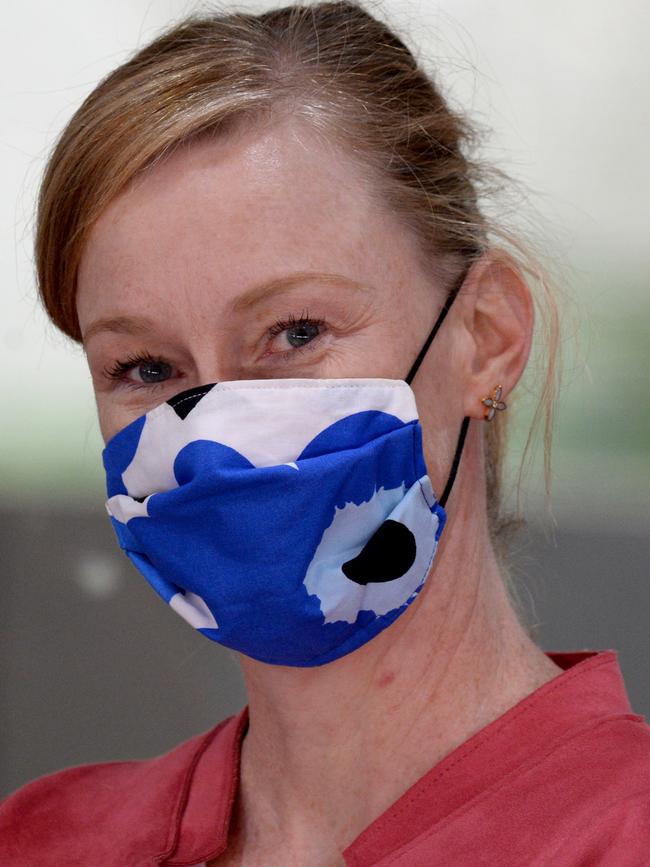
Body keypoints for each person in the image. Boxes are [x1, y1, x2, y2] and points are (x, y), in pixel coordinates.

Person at [1, 2, 649, 864]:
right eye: (147, 368)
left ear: (485, 337)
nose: (215, 436)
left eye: (296, 331)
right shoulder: (41, 841)